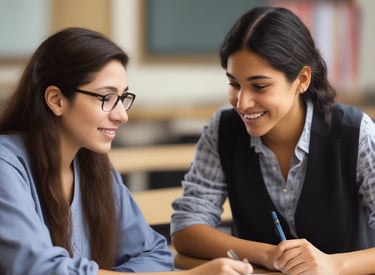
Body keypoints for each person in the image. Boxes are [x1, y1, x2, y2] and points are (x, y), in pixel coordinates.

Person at [0, 27, 253, 275]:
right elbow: (37, 268)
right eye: (106, 98)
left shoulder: (94, 168)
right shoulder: (5, 166)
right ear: (56, 100)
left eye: (123, 98)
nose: (122, 115)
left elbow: (154, 253)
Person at [171, 6, 375, 275]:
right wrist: (268, 255)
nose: (242, 103)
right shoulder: (223, 130)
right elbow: (186, 229)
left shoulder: (355, 133)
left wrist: (333, 265)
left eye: (260, 86)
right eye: (234, 84)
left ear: (302, 79)